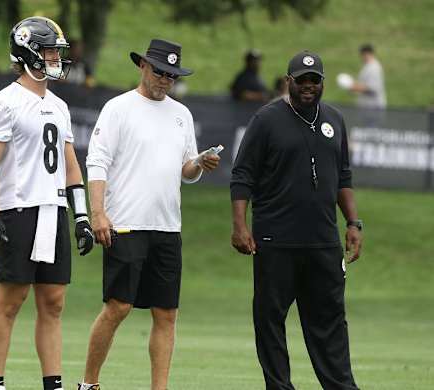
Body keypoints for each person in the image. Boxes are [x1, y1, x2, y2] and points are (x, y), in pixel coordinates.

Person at [79, 38, 220, 390]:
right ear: (143, 66)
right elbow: (97, 163)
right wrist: (97, 213)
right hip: (125, 223)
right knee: (118, 307)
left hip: (167, 227)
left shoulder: (181, 114)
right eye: (160, 71)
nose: (165, 79)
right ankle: (89, 383)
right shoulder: (118, 108)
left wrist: (199, 162)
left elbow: (185, 170)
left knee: (166, 314)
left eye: (172, 75)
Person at [231, 50, 363, 390]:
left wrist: (353, 223)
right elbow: (242, 175)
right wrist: (240, 226)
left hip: (323, 242)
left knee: (330, 323)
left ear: (322, 83)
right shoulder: (266, 120)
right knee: (270, 321)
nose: (308, 86)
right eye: (301, 80)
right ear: (288, 81)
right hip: (276, 242)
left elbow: (343, 177)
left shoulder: (334, 119)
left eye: (314, 81)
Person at [0, 16, 94, 390]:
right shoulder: (3, 104)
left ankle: (52, 383)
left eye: (57, 52)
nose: (55, 58)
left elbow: (71, 165)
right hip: (18, 209)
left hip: (53, 209)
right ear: (28, 53)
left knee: (54, 302)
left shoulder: (59, 106)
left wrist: (82, 217)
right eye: (48, 51)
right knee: (11, 301)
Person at [351, 44, 386, 109]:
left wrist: (353, 87)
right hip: (367, 107)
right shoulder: (368, 67)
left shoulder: (374, 68)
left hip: (373, 107)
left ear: (366, 53)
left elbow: (372, 88)